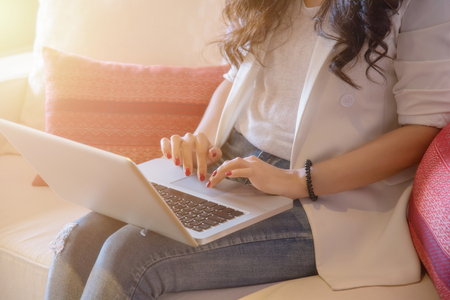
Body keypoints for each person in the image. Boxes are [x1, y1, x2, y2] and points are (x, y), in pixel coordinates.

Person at [45, 0, 450, 299]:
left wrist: (296, 181)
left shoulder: (419, 6)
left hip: (329, 194)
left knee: (130, 253)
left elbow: (423, 128)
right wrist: (203, 139)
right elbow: (232, 79)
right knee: (82, 236)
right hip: (236, 164)